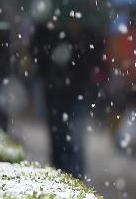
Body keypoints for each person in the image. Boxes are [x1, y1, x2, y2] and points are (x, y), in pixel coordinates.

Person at [31, 20, 102, 179]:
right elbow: (38, 55)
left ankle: (75, 178)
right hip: (54, 93)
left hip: (77, 92)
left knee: (74, 140)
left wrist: (75, 42)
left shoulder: (86, 29)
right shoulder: (47, 28)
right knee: (58, 138)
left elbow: (93, 56)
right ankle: (62, 176)